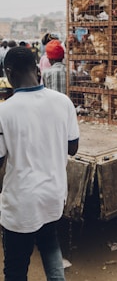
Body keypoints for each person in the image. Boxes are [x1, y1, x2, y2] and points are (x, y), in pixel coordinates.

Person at [0, 46, 79, 280]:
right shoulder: (63, 102)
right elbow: (72, 148)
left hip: (21, 200)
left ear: (9, 73)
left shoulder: (5, 111)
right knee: (50, 244)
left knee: (15, 266)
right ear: (37, 69)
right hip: (53, 194)